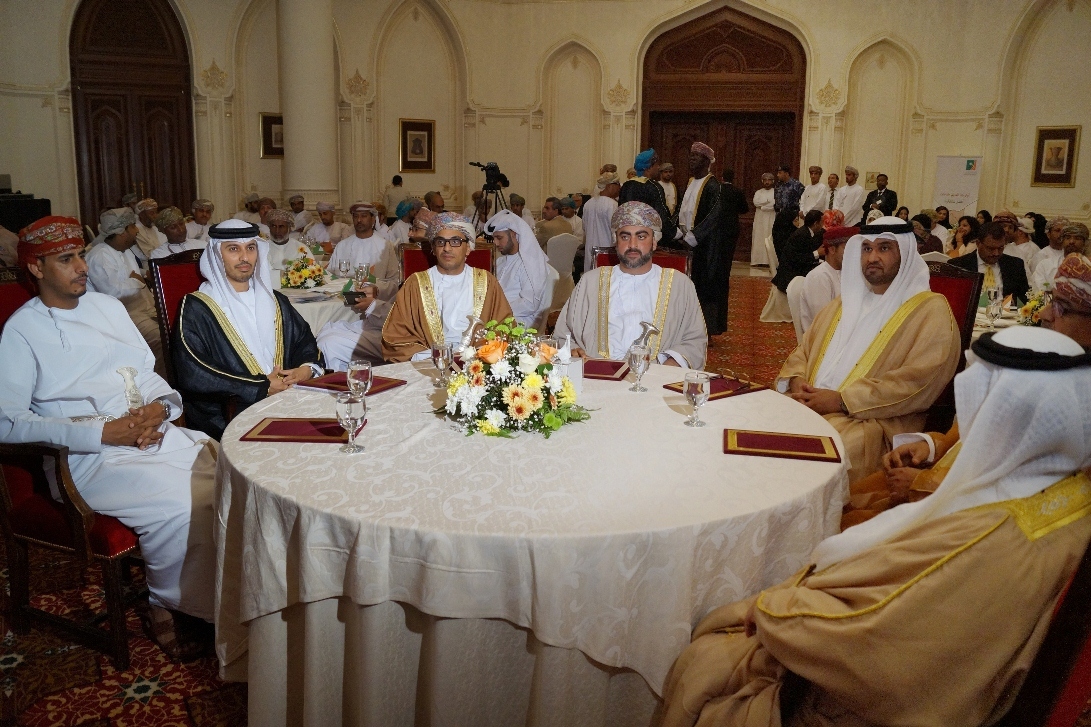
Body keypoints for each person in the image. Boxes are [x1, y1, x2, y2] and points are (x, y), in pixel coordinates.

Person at [662, 325, 1091, 727]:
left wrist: (774, 610)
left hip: (851, 699)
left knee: (704, 660)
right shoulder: (1066, 492)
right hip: (937, 658)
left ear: (1003, 415)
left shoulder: (992, 538)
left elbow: (871, 633)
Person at [0, 216, 218, 659]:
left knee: (229, 476)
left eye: (81, 254)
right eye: (66, 259)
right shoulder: (21, 331)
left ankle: (223, 593)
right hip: (84, 460)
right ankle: (167, 600)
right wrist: (103, 432)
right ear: (37, 268)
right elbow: (7, 423)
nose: (82, 266)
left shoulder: (108, 308)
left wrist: (159, 409)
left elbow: (146, 373)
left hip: (148, 436)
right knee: (182, 501)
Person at [842, 252, 1091, 529]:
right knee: (844, 499)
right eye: (1051, 302)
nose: (1044, 314)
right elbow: (967, 436)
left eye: (1062, 307)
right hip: (942, 482)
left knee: (845, 528)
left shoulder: (1077, 400)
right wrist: (929, 446)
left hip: (960, 519)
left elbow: (1025, 497)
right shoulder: (1052, 367)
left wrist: (923, 484)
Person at [776, 217, 961, 483]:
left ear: (905, 254)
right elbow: (802, 350)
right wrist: (797, 381)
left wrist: (841, 401)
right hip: (809, 402)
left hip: (874, 422)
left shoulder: (931, 310)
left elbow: (918, 382)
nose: (873, 257)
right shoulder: (844, 303)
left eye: (884, 248)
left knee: (813, 455)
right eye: (866, 249)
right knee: (758, 427)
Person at [172, 220, 322, 440]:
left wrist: (306, 369)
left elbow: (305, 341)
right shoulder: (197, 307)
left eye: (250, 248)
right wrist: (259, 388)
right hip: (231, 412)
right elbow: (193, 370)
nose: (244, 257)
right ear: (217, 254)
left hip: (289, 400)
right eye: (234, 249)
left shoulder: (275, 300)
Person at [553, 201, 707, 369]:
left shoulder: (680, 285)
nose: (632, 245)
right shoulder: (590, 282)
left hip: (656, 379)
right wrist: (573, 350)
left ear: (654, 242)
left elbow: (695, 341)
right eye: (625, 237)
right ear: (615, 241)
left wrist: (669, 366)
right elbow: (562, 335)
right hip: (598, 377)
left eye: (641, 236)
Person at [381, 213, 512, 362]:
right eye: (440, 242)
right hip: (429, 363)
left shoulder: (487, 282)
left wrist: (481, 353)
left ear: (468, 248)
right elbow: (396, 336)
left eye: (455, 241)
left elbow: (504, 327)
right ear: (433, 248)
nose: (447, 248)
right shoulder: (415, 284)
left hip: (476, 365)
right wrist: (436, 357)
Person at [681, 143, 749, 337]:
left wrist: (694, 237)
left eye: (696, 157)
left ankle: (707, 331)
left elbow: (714, 216)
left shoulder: (713, 186)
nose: (691, 159)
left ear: (706, 162)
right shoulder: (690, 182)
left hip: (706, 246)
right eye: (691, 155)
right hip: (688, 244)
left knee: (706, 286)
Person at [85, 208, 163, 368]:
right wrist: (139, 280)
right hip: (124, 315)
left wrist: (144, 274)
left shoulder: (124, 250)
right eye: (133, 226)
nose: (137, 230)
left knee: (178, 330)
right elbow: (113, 291)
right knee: (161, 340)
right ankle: (160, 387)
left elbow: (129, 274)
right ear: (122, 232)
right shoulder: (100, 256)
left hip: (145, 307)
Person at [485, 210, 553, 329]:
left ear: (514, 234)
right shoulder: (501, 261)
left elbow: (529, 304)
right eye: (494, 238)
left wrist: (495, 310)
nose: (495, 243)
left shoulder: (530, 263)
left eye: (499, 238)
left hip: (522, 321)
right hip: (500, 316)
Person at [950, 222, 1031, 304]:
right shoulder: (958, 265)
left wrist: (1013, 301)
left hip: (1003, 314)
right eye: (991, 248)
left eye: (1001, 248)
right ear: (978, 244)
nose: (996, 253)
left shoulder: (1015, 265)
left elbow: (1025, 298)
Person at [325, 203, 400, 288]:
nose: (359, 220)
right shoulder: (342, 246)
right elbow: (330, 276)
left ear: (372, 219)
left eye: (363, 216)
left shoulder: (385, 246)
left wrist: (376, 289)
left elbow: (394, 281)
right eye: (356, 216)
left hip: (374, 298)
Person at [798, 223, 855, 334]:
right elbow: (824, 323)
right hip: (823, 342)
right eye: (848, 248)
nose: (853, 254)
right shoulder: (819, 277)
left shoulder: (845, 272)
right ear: (832, 249)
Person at [618, 149, 678, 247]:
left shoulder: (626, 186)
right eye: (656, 165)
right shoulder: (653, 186)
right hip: (646, 239)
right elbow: (660, 215)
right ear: (648, 167)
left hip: (627, 237)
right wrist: (673, 233)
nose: (658, 167)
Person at [771, 209, 823, 295]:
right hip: (790, 277)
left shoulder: (806, 232)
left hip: (795, 270)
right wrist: (817, 253)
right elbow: (796, 258)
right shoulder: (801, 235)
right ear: (816, 223)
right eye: (822, 222)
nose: (823, 226)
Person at [581, 172, 621, 272]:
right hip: (607, 253)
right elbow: (616, 231)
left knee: (592, 281)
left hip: (590, 250)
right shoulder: (612, 205)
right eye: (617, 184)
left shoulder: (588, 204)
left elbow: (584, 228)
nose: (619, 187)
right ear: (610, 186)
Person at [1028, 216, 1071, 290]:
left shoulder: (1071, 254)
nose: (1061, 234)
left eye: (1064, 231)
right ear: (1048, 234)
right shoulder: (1040, 256)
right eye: (1057, 230)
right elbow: (1036, 283)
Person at [751, 173, 776, 267]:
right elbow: (756, 202)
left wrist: (763, 206)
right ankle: (757, 260)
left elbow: (774, 204)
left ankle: (769, 261)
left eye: (769, 180)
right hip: (760, 220)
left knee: (769, 237)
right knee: (759, 238)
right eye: (765, 180)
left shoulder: (775, 192)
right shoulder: (759, 192)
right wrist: (766, 203)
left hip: (771, 218)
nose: (767, 182)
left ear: (772, 181)